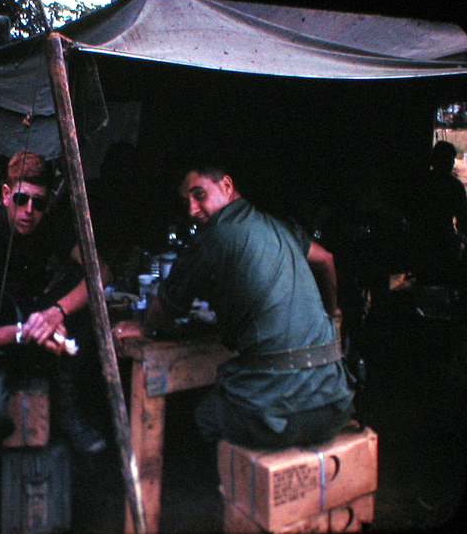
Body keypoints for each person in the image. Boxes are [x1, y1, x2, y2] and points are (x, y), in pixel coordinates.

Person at [113, 165, 355, 449]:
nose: (192, 209)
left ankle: (231, 487)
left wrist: (144, 326)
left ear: (227, 186)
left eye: (199, 194)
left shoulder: (212, 238)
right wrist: (332, 313)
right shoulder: (278, 227)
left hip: (279, 420)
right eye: (186, 201)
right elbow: (326, 259)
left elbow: (163, 311)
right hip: (335, 405)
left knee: (205, 416)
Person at [0, 150, 112, 531]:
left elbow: (100, 270)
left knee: (84, 311)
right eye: (21, 199)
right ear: (6, 194)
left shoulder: (48, 223)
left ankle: (68, 410)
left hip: (27, 319)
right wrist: (32, 333)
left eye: (38, 202)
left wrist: (56, 314)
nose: (29, 210)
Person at [413, 141, 467, 288]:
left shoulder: (420, 182)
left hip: (419, 243)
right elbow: (463, 221)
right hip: (444, 244)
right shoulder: (454, 186)